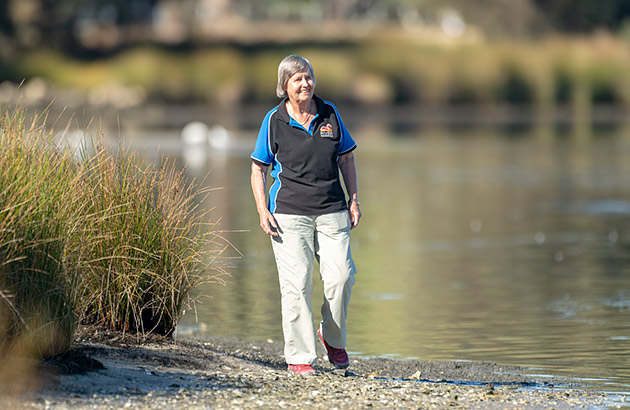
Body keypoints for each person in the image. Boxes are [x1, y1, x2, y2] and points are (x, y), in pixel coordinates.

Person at [250, 55, 361, 375]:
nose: (305, 83)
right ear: (284, 85)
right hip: (288, 215)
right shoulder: (273, 121)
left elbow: (347, 159)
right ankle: (299, 356)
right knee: (296, 285)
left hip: (332, 211)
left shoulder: (330, 114)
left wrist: (354, 200)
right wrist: (262, 210)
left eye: (309, 77)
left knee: (341, 277)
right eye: (297, 78)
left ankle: (332, 337)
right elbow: (259, 168)